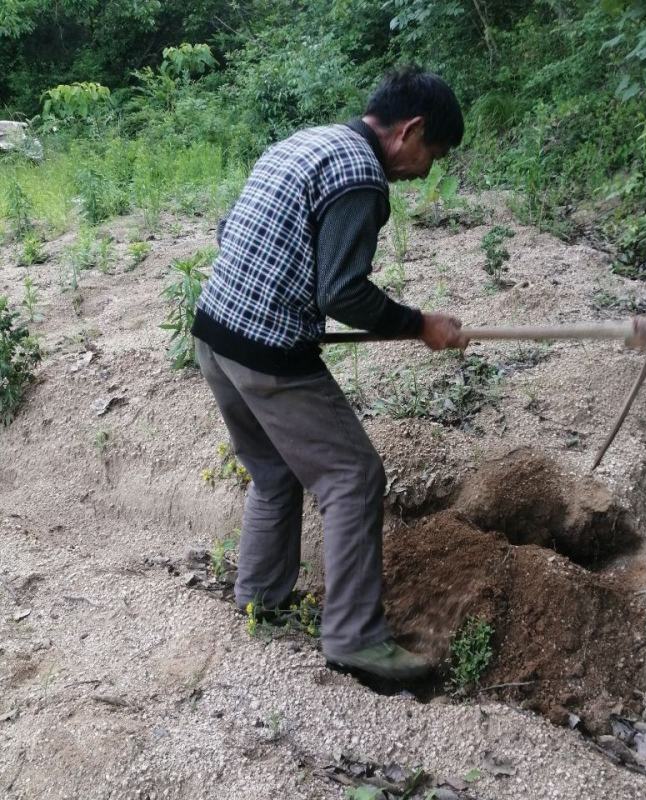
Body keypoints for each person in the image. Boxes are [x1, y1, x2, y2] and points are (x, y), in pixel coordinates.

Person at [191, 66, 468, 680]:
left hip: (214, 336)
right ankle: (355, 640)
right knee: (354, 476)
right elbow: (341, 291)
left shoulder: (303, 143)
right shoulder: (360, 176)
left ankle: (260, 599)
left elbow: (229, 231)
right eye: (433, 153)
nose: (427, 170)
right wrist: (419, 322)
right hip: (267, 358)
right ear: (410, 130)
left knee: (273, 472)